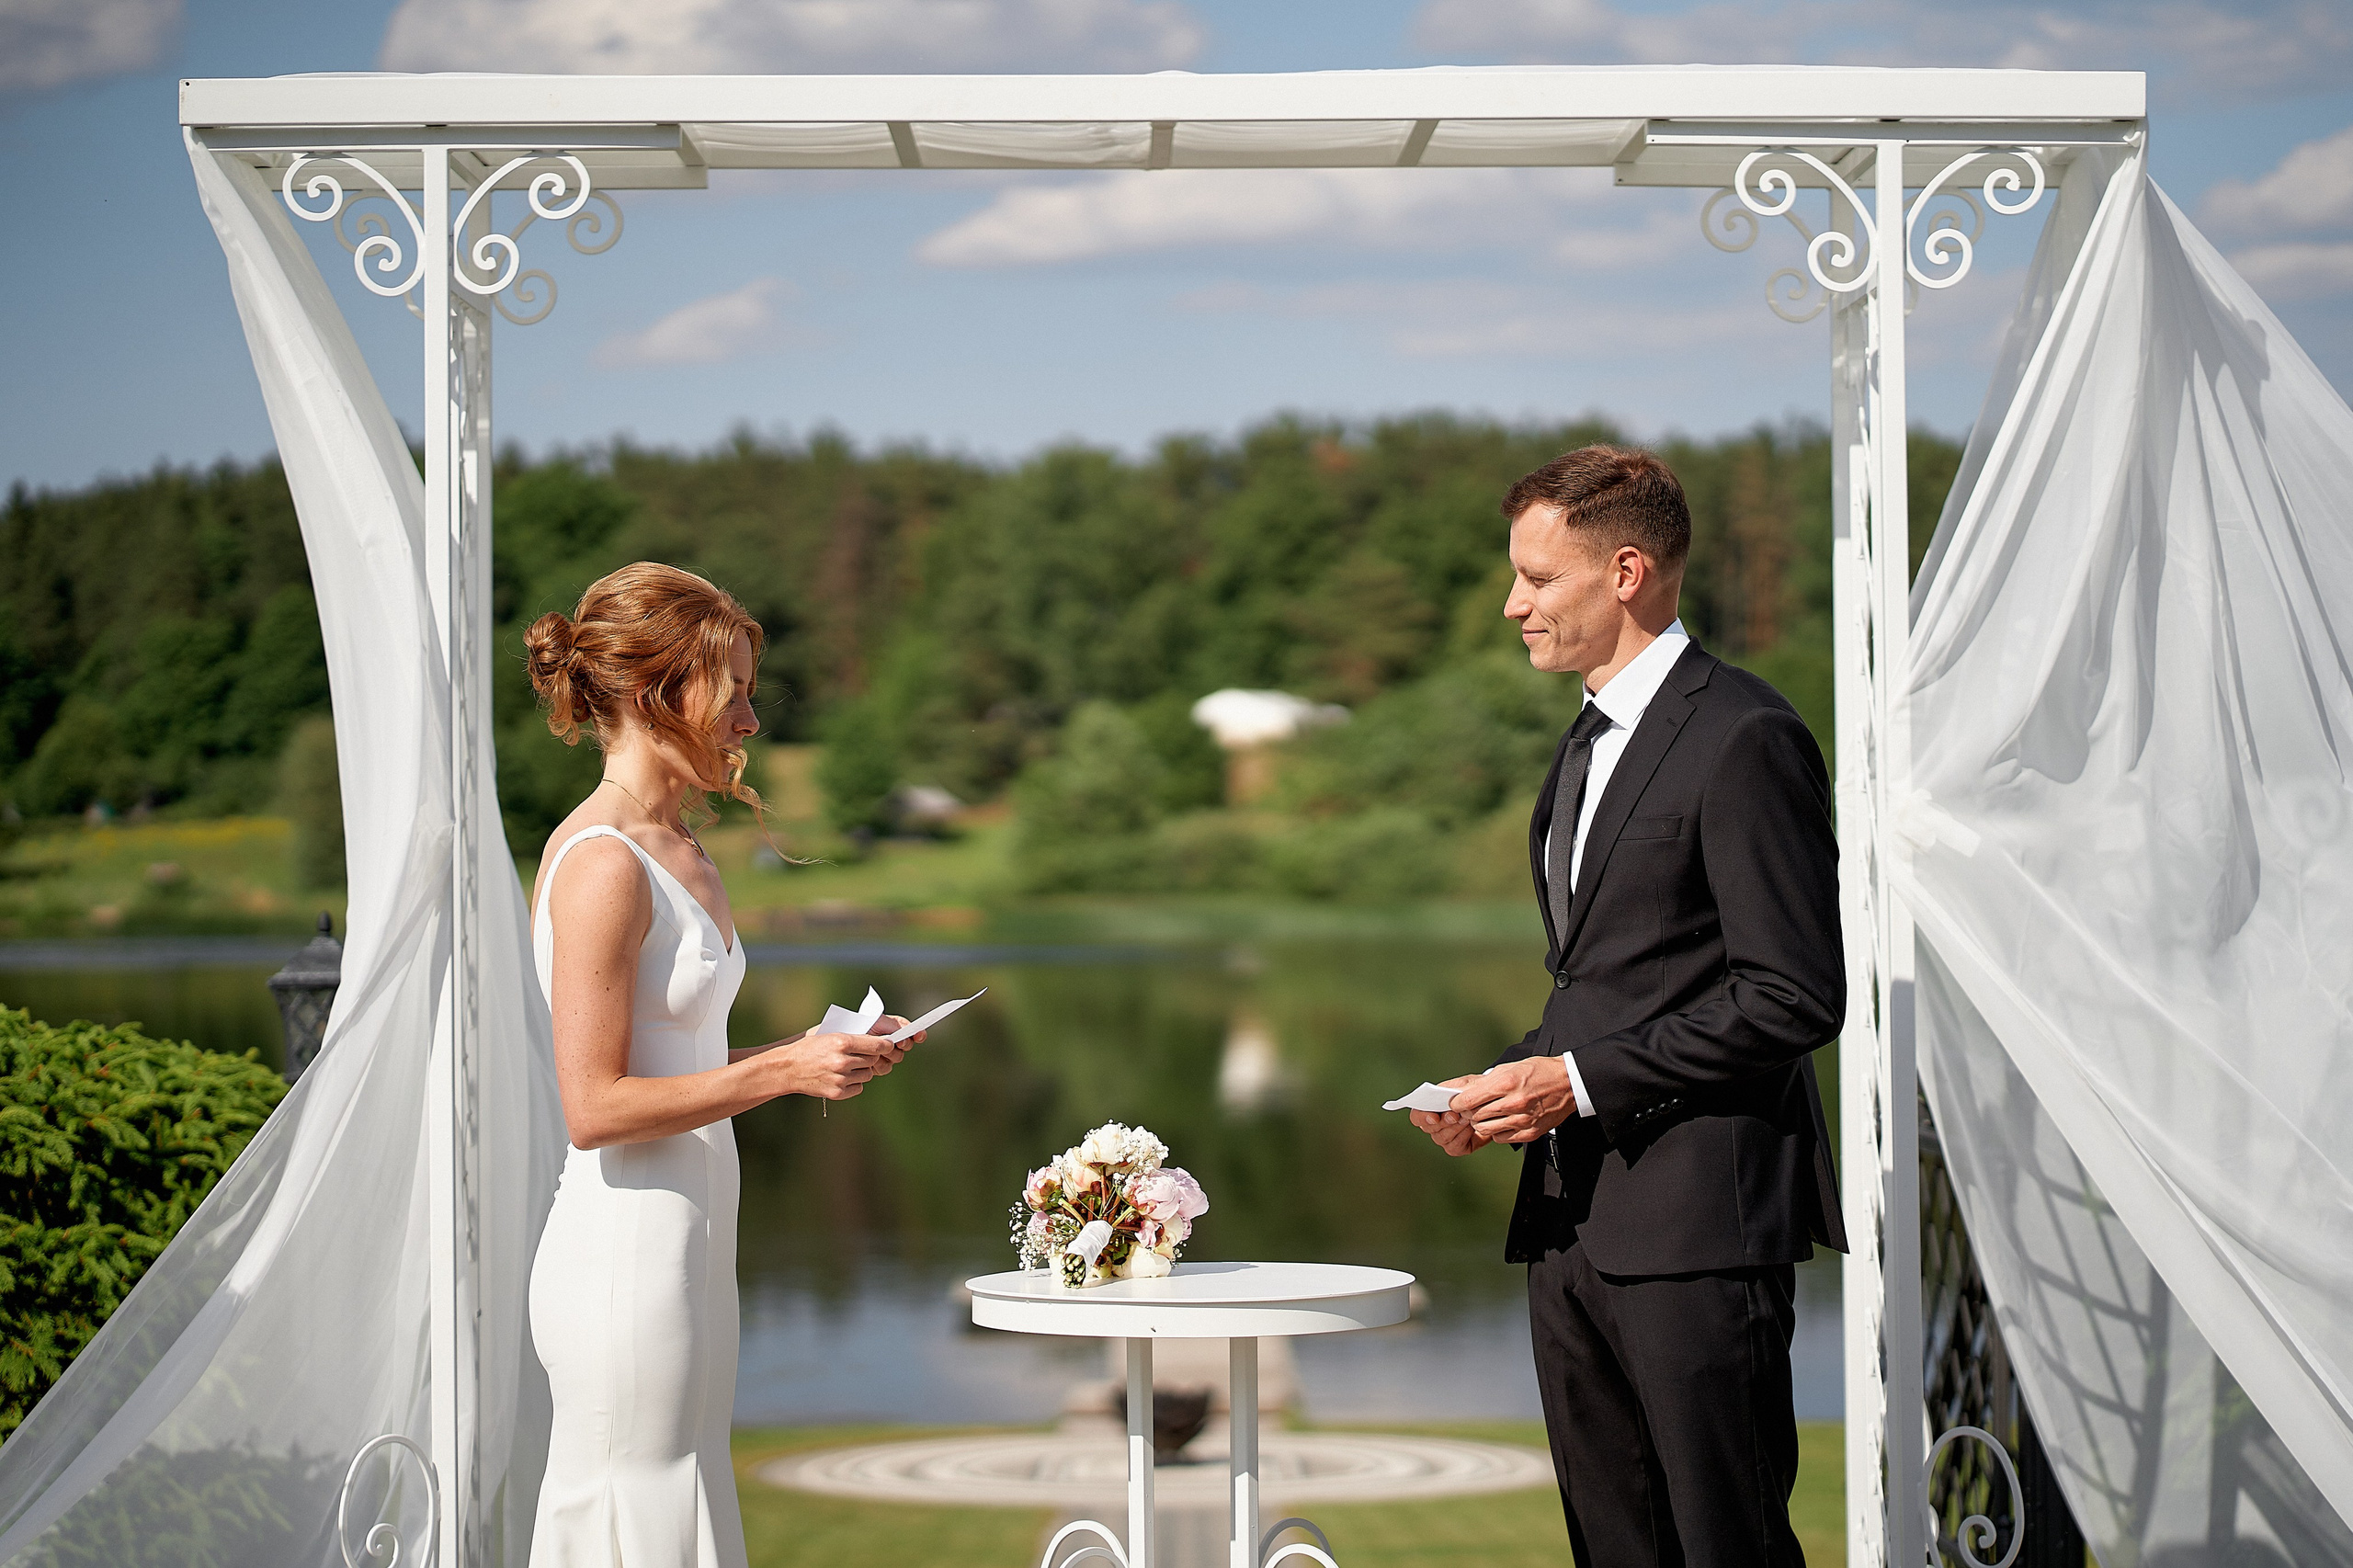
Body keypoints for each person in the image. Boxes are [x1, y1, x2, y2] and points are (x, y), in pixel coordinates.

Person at [1411, 447, 1845, 1566]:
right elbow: (1611, 977)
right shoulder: (1584, 742)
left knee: (1725, 1544)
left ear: (1626, 570)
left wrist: (1581, 1082)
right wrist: (1504, 1080)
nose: (1513, 603)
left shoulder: (1744, 734)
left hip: (1700, 1227)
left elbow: (1793, 991)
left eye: (1538, 578)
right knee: (1614, 1548)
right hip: (1570, 1220)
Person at [520, 562, 921, 1568]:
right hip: (622, 1255)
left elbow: (676, 1057)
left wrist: (809, 1051)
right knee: (633, 1518)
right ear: (658, 690)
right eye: (730, 690)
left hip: (693, 1244)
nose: (748, 720)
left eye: (749, 691)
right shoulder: (605, 860)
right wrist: (783, 1074)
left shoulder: (680, 848)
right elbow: (593, 1103)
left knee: (686, 1501)